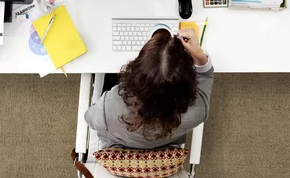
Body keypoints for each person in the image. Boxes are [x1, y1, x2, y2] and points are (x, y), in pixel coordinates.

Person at [85, 28, 213, 149]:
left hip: (120, 145)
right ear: (188, 78)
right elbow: (206, 75)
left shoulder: (108, 106)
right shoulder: (200, 110)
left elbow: (89, 119)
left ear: (137, 72)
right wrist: (199, 54)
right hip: (164, 145)